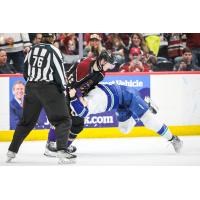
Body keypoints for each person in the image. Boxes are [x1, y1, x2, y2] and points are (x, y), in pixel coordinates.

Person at [6, 33, 76, 164]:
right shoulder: (54, 50)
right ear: (53, 38)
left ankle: (11, 151)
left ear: (41, 38)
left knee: (26, 122)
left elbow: (25, 72)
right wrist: (63, 90)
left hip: (31, 88)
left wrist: (33, 84)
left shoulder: (32, 49)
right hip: (49, 89)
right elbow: (60, 74)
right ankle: (62, 152)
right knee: (63, 120)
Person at [68, 83, 183, 153]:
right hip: (120, 103)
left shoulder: (89, 105)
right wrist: (74, 96)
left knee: (148, 121)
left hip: (128, 94)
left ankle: (173, 139)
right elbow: (79, 107)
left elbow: (82, 112)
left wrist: (73, 98)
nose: (75, 113)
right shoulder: (84, 98)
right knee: (124, 130)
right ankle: (146, 105)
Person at [44, 50, 116, 156]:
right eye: (109, 64)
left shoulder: (101, 74)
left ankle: (65, 145)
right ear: (103, 61)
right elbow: (69, 84)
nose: (110, 68)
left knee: (78, 125)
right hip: (64, 90)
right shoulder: (84, 66)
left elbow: (87, 87)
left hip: (76, 94)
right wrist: (79, 96)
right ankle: (51, 145)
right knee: (62, 119)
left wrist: (83, 97)